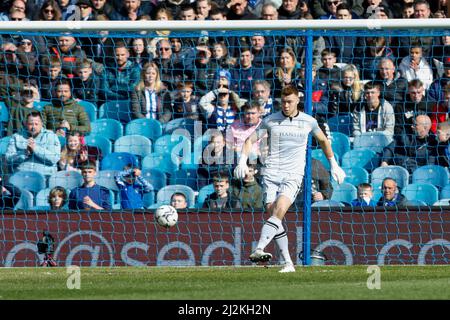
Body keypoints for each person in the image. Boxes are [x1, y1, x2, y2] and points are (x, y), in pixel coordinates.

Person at [234, 85, 346, 273]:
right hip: (271, 174)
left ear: (297, 101)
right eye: (283, 102)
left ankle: (260, 248)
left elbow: (323, 141)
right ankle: (288, 263)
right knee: (273, 215)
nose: (285, 105)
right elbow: (249, 140)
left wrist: (334, 165)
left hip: (293, 175)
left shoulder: (308, 121)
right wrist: (242, 161)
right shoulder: (270, 120)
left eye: (289, 102)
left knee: (279, 210)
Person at [5, 111, 61, 176]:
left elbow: (55, 158)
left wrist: (35, 149)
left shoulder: (51, 136)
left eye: (36, 124)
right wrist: (25, 153)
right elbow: (8, 159)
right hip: (21, 176)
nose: (33, 127)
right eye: (30, 124)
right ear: (26, 124)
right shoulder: (16, 137)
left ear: (42, 124)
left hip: (45, 176)